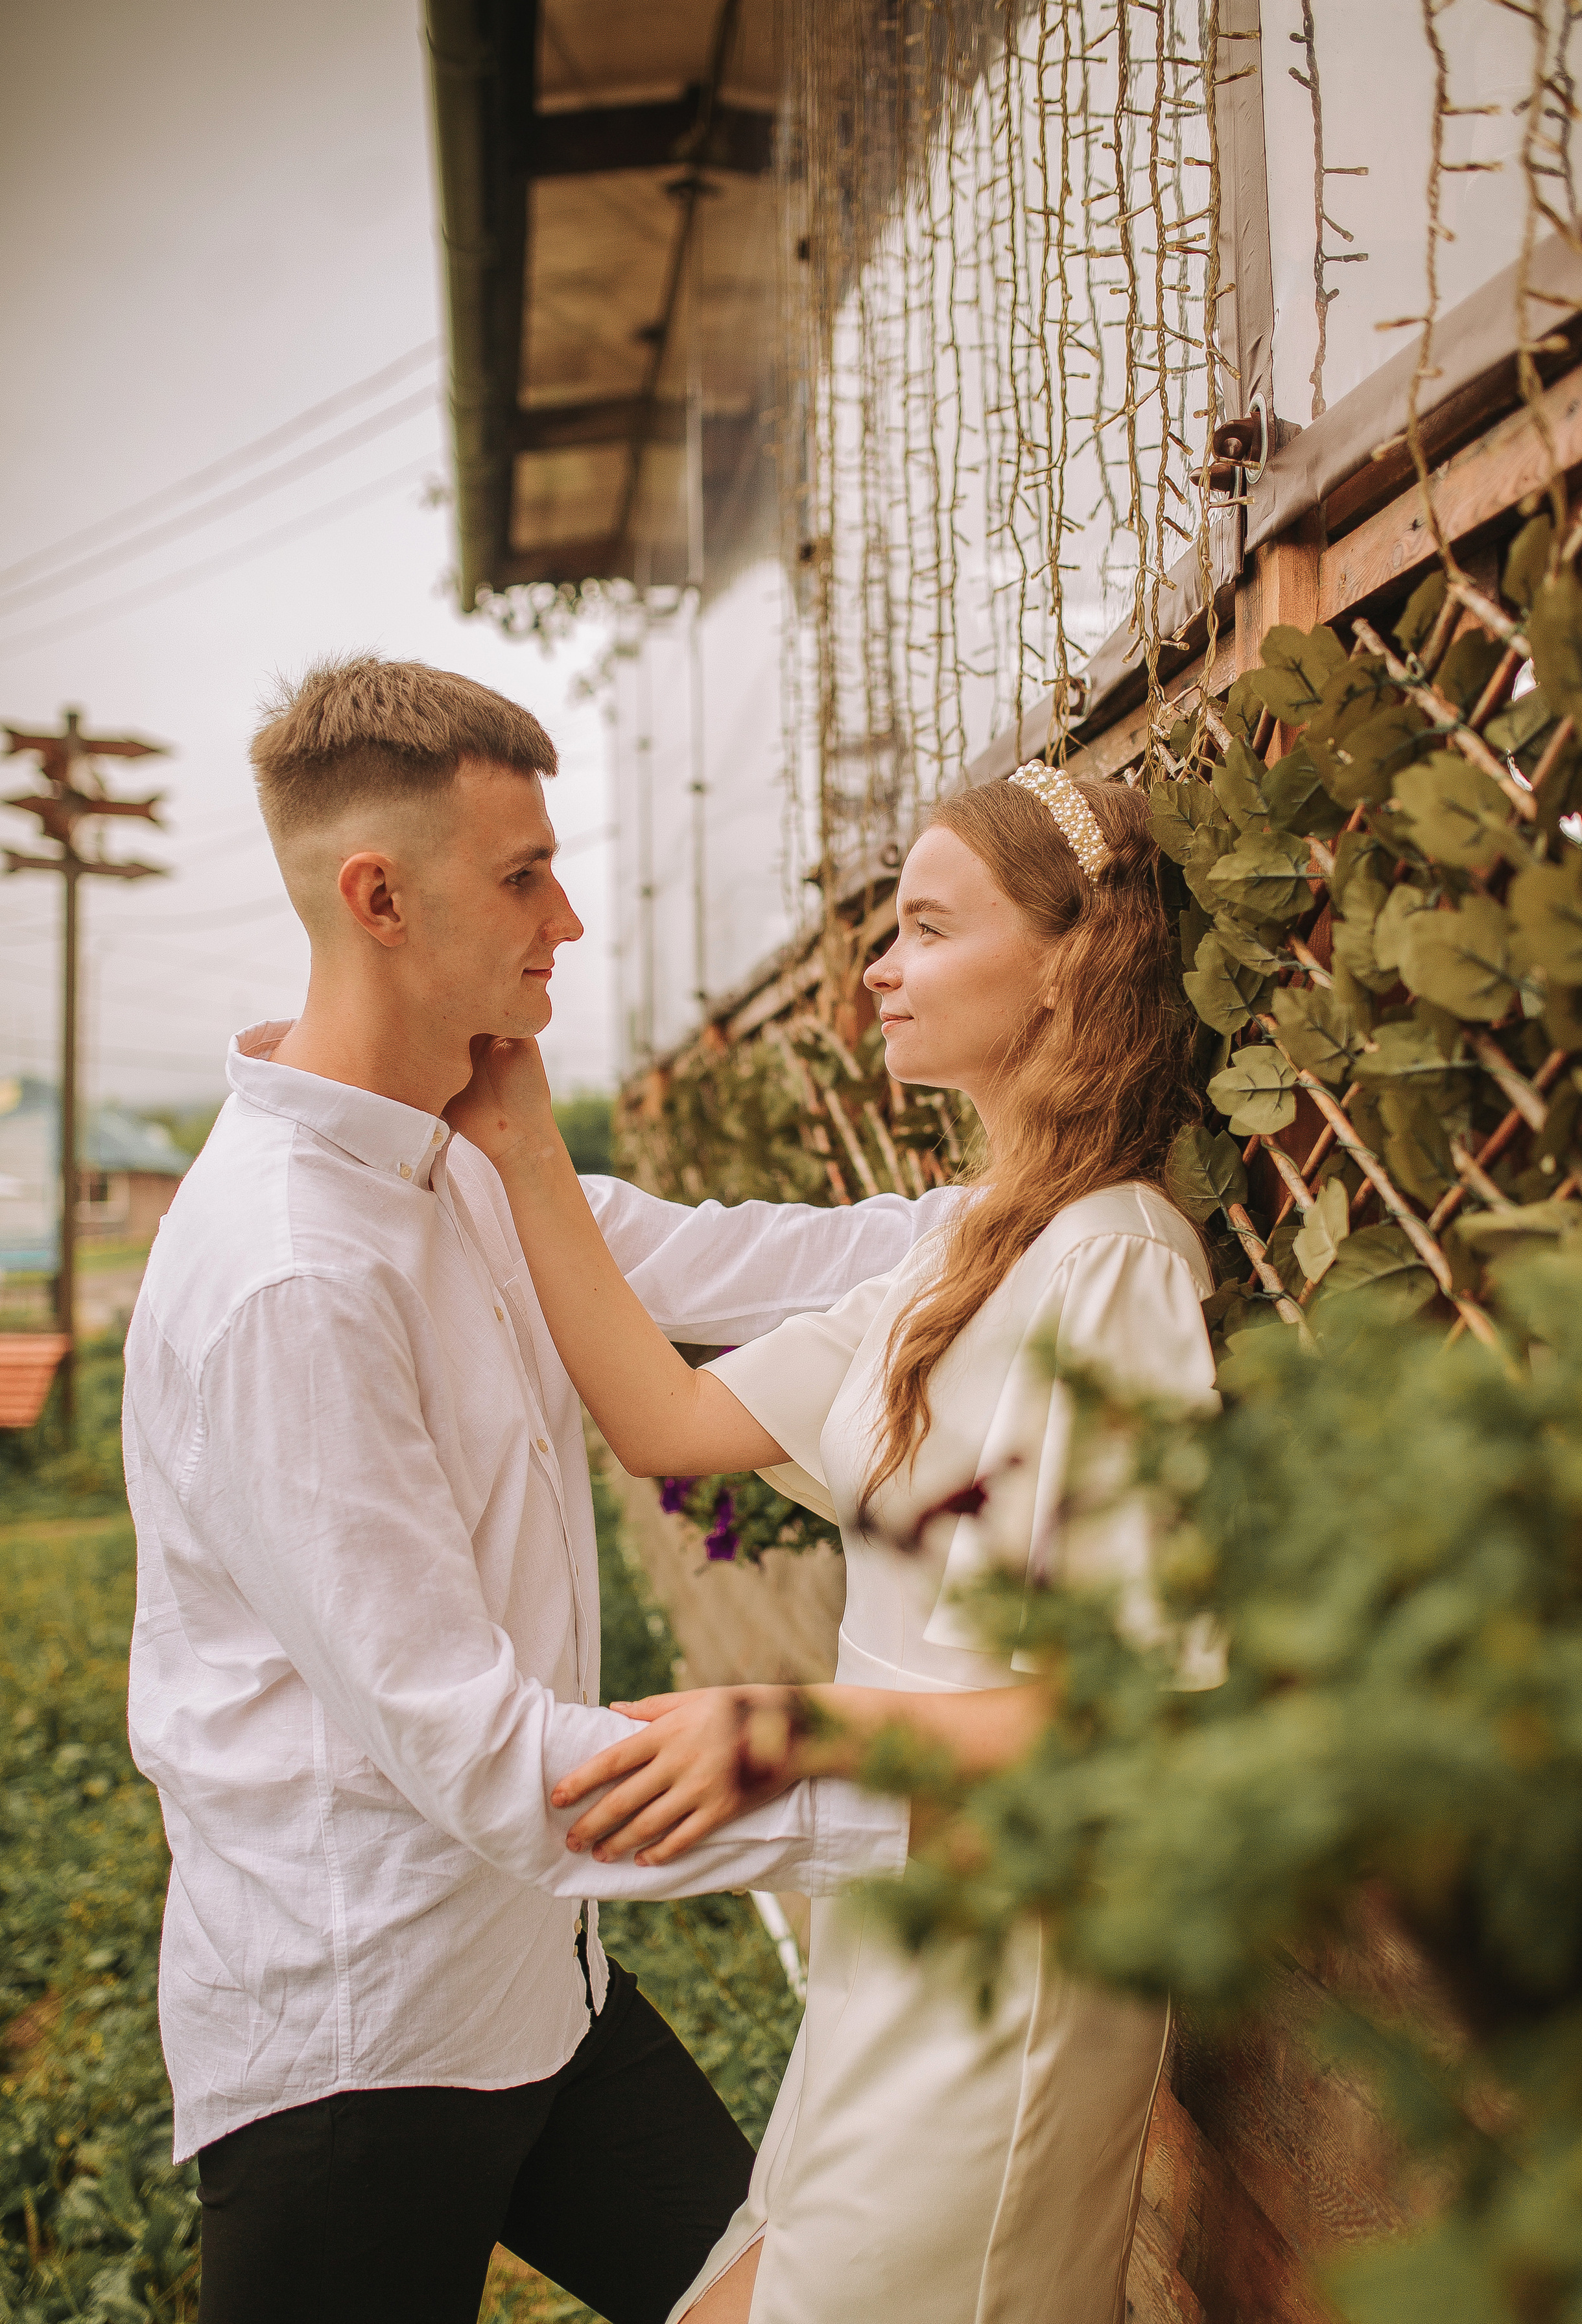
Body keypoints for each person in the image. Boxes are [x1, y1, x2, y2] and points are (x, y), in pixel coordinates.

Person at [121, 655, 963, 2324]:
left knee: (783, 2299)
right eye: (523, 873)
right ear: (378, 895)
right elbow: (491, 1759)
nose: (566, 916)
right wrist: (966, 1809)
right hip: (360, 2052)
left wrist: (1060, 1212)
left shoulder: (461, 1152)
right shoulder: (290, 1273)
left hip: (537, 1979)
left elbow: (756, 1260)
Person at [447, 762, 1218, 2324]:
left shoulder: (1116, 1270)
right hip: (891, 1919)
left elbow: (1130, 1715)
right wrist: (518, 1133)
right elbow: (667, 1421)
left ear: (1067, 962)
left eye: (928, 927)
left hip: (1009, 1964)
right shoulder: (967, 1246)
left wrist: (784, 1724)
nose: (876, 967)